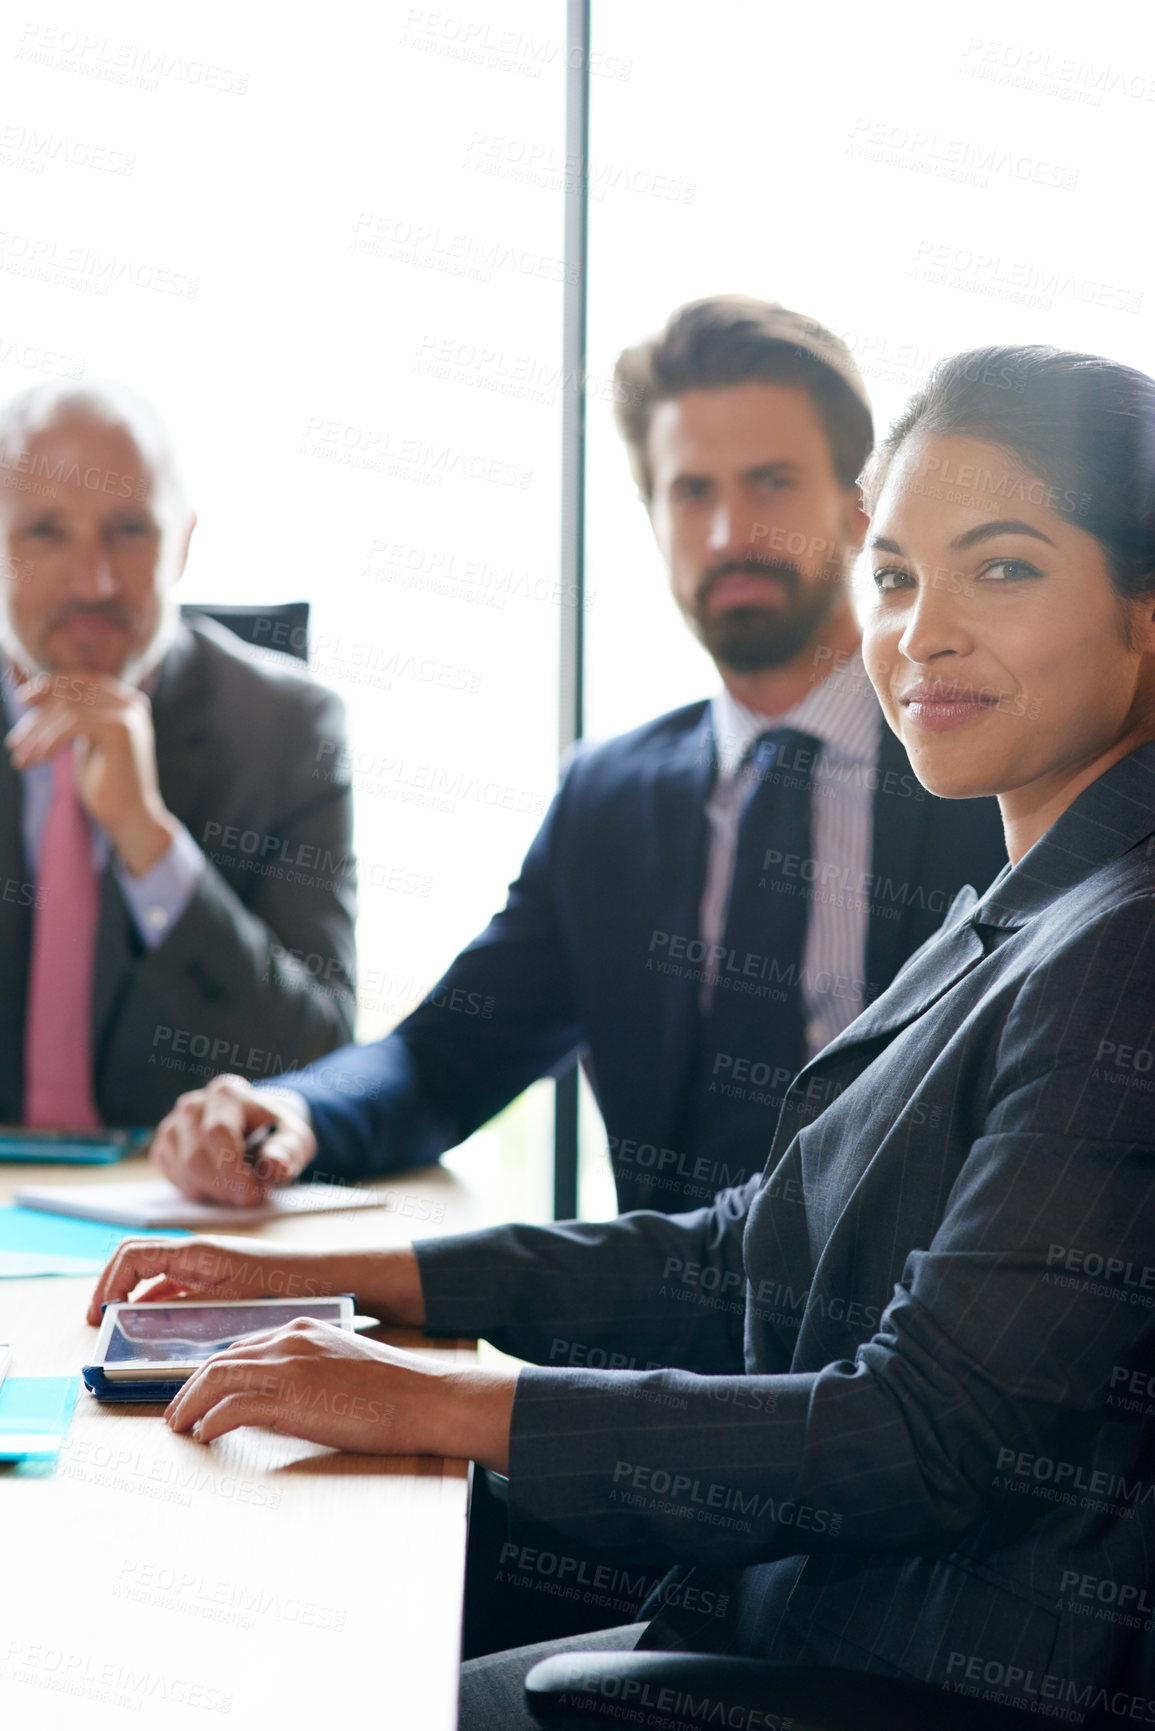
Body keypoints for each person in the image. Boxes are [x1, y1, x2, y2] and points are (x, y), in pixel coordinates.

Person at [91, 343, 1155, 1724]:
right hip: (798, 1574)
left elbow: (923, 1434)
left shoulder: (1115, 937)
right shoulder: (1021, 903)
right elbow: (732, 1247)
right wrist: (312, 1281)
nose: (920, 628)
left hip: (907, 1652)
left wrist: (430, 1398)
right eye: (893, 577)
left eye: (999, 567)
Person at [149, 297, 1005, 1209]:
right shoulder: (611, 799)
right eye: (691, 491)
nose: (727, 532)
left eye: (770, 483)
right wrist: (290, 1109)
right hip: (655, 1331)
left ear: (856, 510)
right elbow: (444, 1057)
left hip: (911, 1328)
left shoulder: (979, 764)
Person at [0, 380, 356, 1128]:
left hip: (178, 1214)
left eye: (129, 529)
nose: (93, 580)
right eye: (46, 532)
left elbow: (319, 1062)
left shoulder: (288, 732)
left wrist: (151, 842)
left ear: (184, 540)